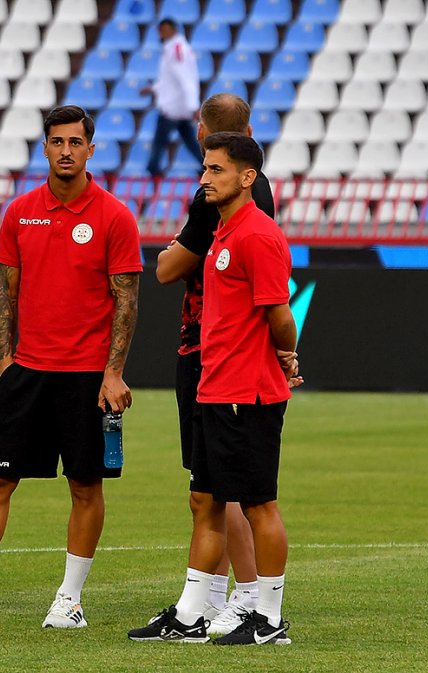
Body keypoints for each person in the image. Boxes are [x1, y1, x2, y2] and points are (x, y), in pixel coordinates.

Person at [0, 105, 142, 629]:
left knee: (85, 486)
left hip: (87, 377)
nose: (66, 151)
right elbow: (5, 291)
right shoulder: (20, 212)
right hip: (27, 374)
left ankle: (69, 599)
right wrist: (5, 362)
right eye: (57, 142)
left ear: (91, 150)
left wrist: (113, 372)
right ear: (44, 148)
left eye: (75, 142)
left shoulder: (114, 216)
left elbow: (127, 300)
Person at [128, 132, 298, 645]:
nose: (205, 178)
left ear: (247, 177)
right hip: (214, 388)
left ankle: (269, 618)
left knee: (258, 504)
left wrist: (286, 355)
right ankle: (190, 615)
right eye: (204, 168)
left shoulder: (259, 235)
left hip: (247, 393)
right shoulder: (222, 232)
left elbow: (280, 315)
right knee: (204, 500)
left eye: (216, 169)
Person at [142, 18, 201, 177]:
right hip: (179, 105)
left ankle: (153, 169)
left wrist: (193, 106)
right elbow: (169, 79)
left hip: (173, 106)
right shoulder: (173, 48)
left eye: (163, 30)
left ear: (172, 30)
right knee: (189, 139)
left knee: (160, 140)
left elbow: (185, 78)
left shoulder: (176, 49)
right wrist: (153, 88)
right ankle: (205, 165)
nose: (160, 34)